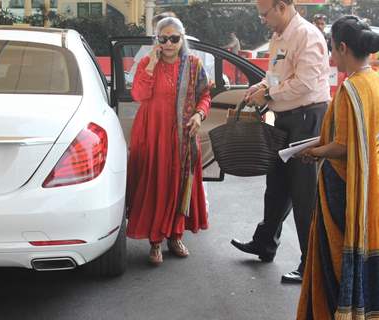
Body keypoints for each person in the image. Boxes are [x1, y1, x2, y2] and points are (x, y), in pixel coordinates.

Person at [230, 0, 330, 284]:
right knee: (276, 185)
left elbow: (306, 83)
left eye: (265, 13)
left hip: (307, 118)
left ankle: (310, 262)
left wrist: (270, 95)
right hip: (285, 117)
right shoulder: (279, 37)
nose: (262, 20)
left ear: (283, 6)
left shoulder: (307, 35)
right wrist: (262, 86)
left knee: (304, 193)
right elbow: (276, 75)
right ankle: (264, 242)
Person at [297, 16, 379, 319]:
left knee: (334, 263)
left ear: (343, 47)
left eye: (332, 49)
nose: (331, 57)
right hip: (370, 188)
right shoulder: (375, 82)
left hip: (344, 190)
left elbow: (344, 147)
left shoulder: (351, 90)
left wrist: (314, 151)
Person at [126, 17, 211, 265]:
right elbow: (139, 94)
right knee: (156, 183)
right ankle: (155, 241)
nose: (170, 43)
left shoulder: (194, 65)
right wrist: (151, 64)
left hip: (184, 135)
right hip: (153, 133)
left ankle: (175, 235)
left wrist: (199, 114)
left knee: (178, 182)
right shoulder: (147, 63)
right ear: (157, 40)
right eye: (164, 39)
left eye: (175, 38)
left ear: (182, 39)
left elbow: (205, 95)